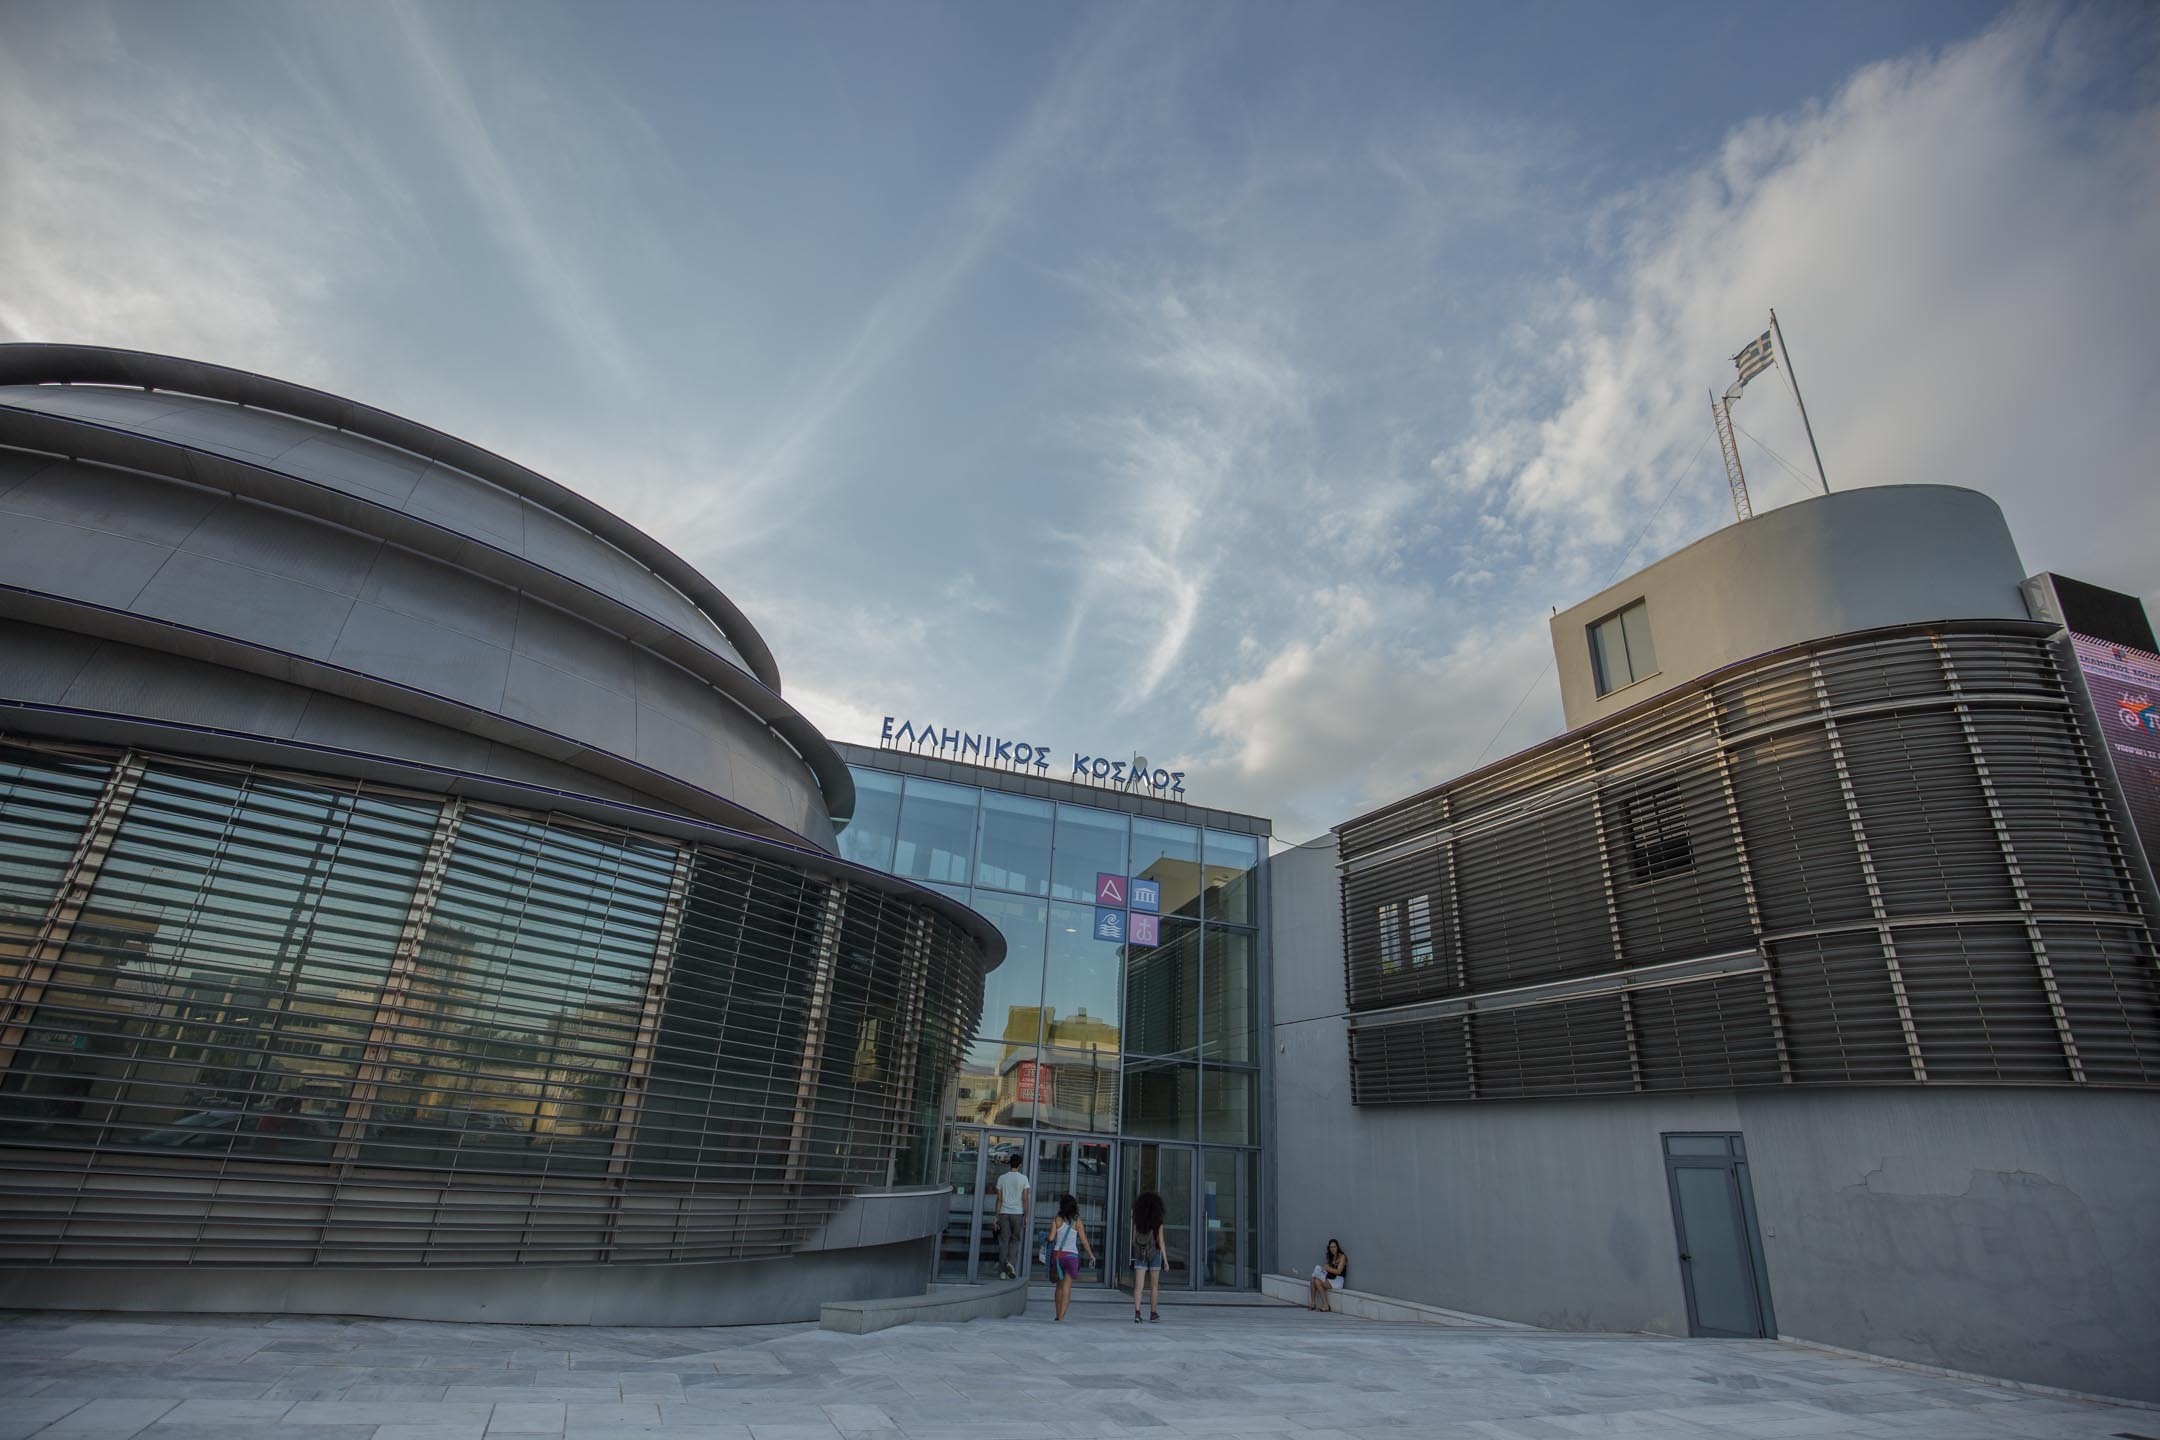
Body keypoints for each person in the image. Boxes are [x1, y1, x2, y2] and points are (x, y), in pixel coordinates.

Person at [1048, 1193, 1096, 1321]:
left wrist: (1046, 1237)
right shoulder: (1077, 1221)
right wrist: (1091, 1255)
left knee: (1058, 1286)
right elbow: (1084, 1241)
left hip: (1058, 1256)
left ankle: (1057, 1314)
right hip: (1071, 1257)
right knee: (1066, 1287)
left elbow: (1051, 1238)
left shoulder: (1056, 1219)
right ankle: (1062, 1316)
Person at [1129, 1190, 1166, 1323]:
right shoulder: (1158, 1222)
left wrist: (1140, 1250)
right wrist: (1165, 1260)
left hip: (1140, 1254)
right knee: (1154, 1286)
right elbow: (1161, 1242)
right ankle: (1153, 1313)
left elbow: (1133, 1241)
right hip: (1155, 1254)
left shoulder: (1138, 1222)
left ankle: (1137, 1313)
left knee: (1138, 1286)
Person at [993, 1152, 1030, 1279]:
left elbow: (999, 1199)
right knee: (1015, 1240)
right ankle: (1010, 1264)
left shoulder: (1002, 1178)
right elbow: (1025, 1199)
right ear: (1020, 1165)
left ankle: (1002, 1272)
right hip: (1017, 1213)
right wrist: (1026, 1216)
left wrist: (996, 1216)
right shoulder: (1023, 1179)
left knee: (1003, 1241)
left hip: (1004, 1212)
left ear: (1010, 1164)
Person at [1308, 1238, 1348, 1311]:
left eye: (1334, 1247)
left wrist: (1327, 1268)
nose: (1332, 1249)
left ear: (1337, 1247)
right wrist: (1324, 1268)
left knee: (1317, 1281)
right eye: (1331, 1247)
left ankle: (1326, 1305)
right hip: (1331, 1278)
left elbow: (1338, 1271)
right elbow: (1328, 1269)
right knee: (1313, 1279)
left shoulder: (1342, 1257)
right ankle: (1313, 1303)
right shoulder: (1331, 1257)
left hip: (1338, 1280)